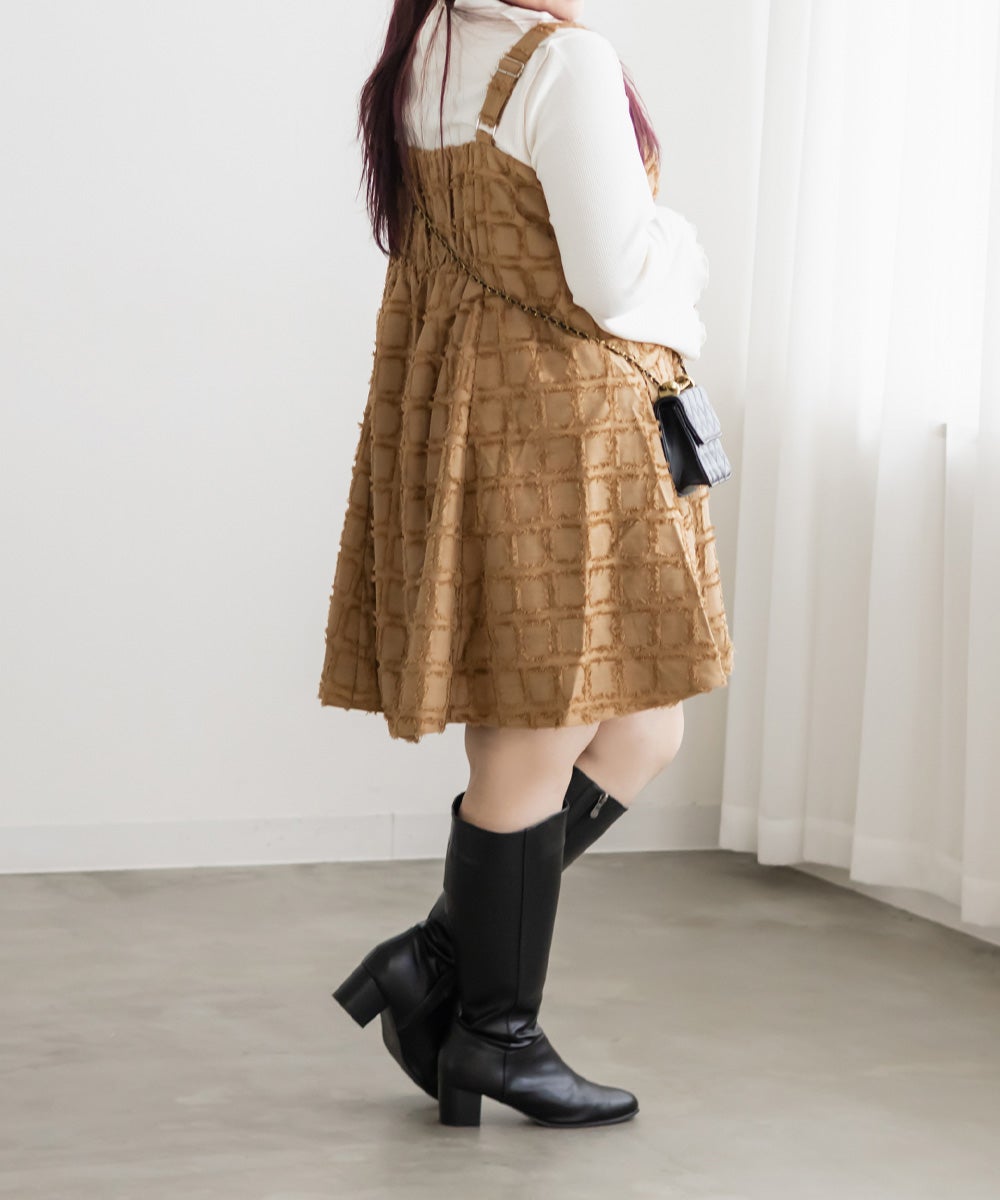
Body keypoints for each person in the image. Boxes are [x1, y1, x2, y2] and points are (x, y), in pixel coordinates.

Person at [319, 0, 735, 1129]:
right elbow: (616, 279)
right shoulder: (563, 61)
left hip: (474, 416)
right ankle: (495, 1037)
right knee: (531, 743)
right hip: (562, 436)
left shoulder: (427, 47)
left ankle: (435, 963)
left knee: (642, 728)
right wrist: (683, 243)